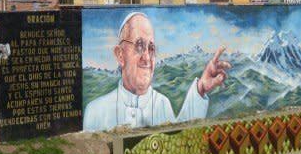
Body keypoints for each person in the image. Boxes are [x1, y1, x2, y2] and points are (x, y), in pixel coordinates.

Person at [83, 12, 231, 131]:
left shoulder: (162, 104)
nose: (147, 57)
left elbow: (178, 139)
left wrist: (201, 89)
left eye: (151, 48)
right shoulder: (96, 112)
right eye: (139, 45)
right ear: (120, 55)